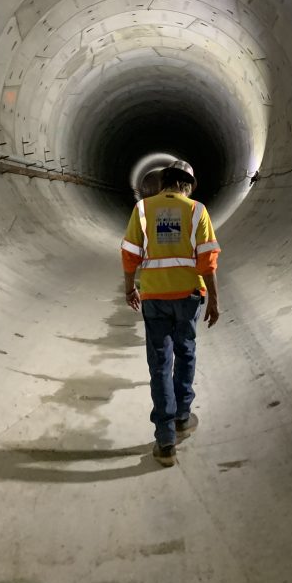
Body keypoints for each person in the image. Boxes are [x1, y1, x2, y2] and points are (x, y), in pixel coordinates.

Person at [121, 160, 220, 467]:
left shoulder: (142, 210)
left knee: (160, 364)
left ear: (164, 182)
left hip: (154, 298)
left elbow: (129, 255)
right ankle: (182, 417)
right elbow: (207, 262)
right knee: (186, 353)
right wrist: (214, 298)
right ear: (186, 184)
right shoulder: (197, 211)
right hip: (188, 296)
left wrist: (130, 289)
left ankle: (165, 441)